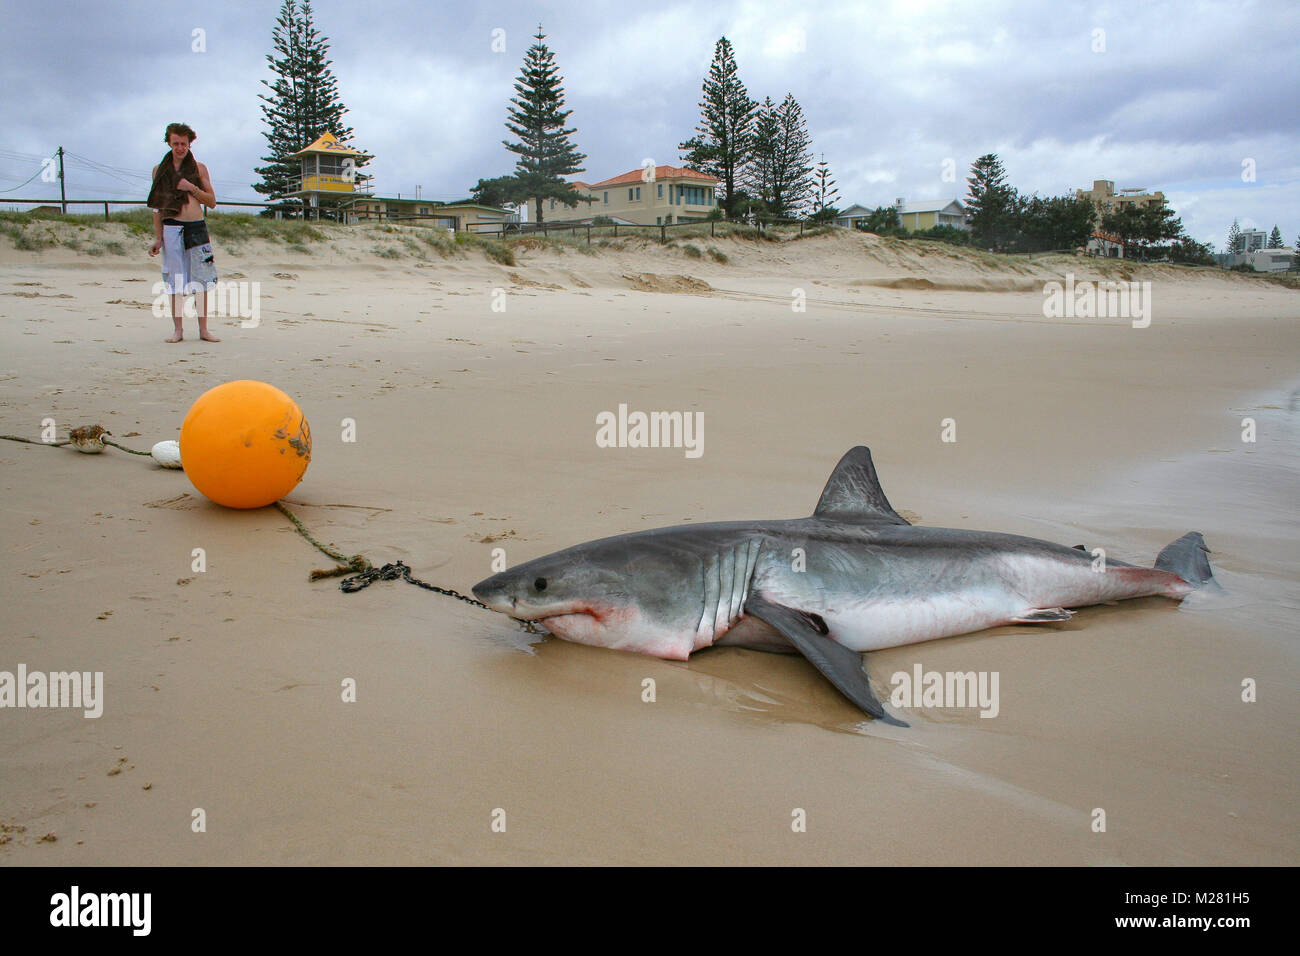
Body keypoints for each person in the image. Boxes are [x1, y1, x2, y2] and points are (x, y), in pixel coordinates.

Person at [147, 123, 220, 343]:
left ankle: (204, 330)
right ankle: (178, 330)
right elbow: (157, 209)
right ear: (169, 143)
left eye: (184, 144)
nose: (180, 148)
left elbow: (212, 202)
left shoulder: (200, 168)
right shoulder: (159, 171)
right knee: (174, 282)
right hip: (171, 228)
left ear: (190, 144)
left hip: (196, 227)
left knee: (203, 281)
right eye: (176, 143)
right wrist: (158, 239)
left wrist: (191, 188)